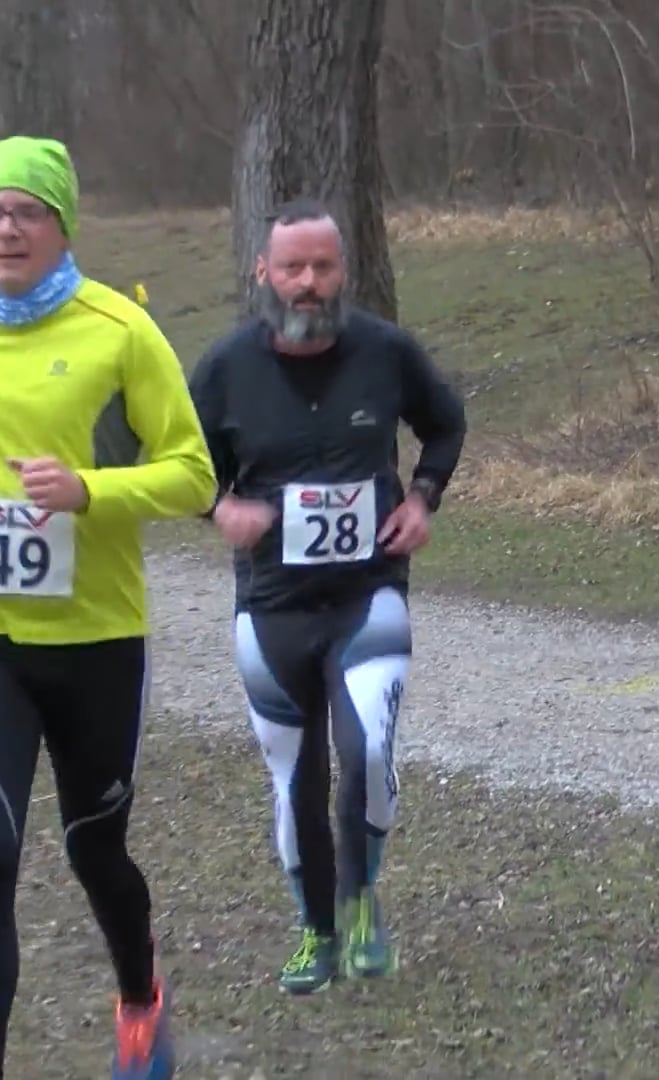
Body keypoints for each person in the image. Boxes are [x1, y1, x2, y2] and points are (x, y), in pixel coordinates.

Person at [0, 134, 217, 1080]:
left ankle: (141, 1001)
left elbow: (193, 474)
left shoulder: (119, 329)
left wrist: (89, 491)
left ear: (63, 228)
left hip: (97, 636)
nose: (6, 228)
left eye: (27, 211)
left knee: (95, 850)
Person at [187, 198, 467, 995]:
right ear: (263, 274)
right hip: (271, 606)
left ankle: (362, 902)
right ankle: (313, 932)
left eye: (323, 266)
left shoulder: (384, 350)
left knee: (368, 754)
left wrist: (422, 499)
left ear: (344, 270)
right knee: (296, 779)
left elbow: (445, 425)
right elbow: (180, 458)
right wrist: (217, 507)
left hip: (366, 595)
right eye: (292, 268)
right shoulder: (226, 367)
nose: (308, 283)